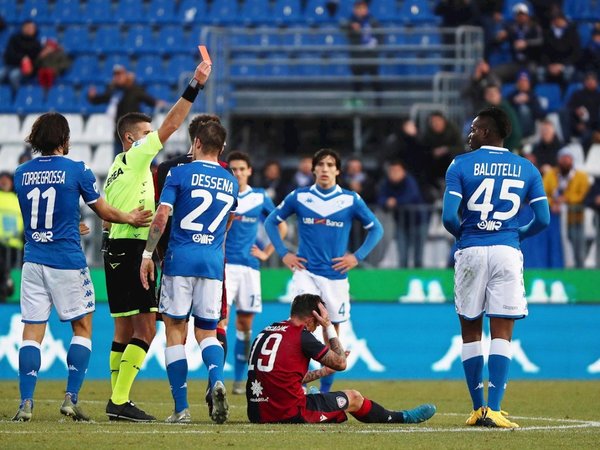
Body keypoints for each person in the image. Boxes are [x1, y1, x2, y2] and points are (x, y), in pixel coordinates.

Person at [11, 112, 152, 422]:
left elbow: (38, 217)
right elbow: (101, 209)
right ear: (64, 139)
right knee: (82, 327)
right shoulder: (77, 169)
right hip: (66, 261)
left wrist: (68, 227)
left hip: (33, 260)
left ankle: (25, 403)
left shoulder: (21, 172)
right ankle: (70, 399)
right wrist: (129, 217)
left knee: (32, 332)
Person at [103, 58, 212, 422]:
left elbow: (104, 214)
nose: (153, 137)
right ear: (132, 138)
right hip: (133, 247)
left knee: (123, 326)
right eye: (146, 133)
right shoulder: (137, 156)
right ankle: (120, 400)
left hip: (113, 247)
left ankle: (117, 396)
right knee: (148, 328)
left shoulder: (116, 167)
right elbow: (173, 123)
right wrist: (195, 85)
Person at [442, 107, 550, 428]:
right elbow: (542, 219)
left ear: (488, 132)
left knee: (471, 330)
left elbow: (449, 217)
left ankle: (478, 409)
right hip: (506, 250)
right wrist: (515, 234)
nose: (470, 133)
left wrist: (466, 234)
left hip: (472, 249)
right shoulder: (527, 168)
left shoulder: (460, 164)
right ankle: (497, 410)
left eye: (474, 128)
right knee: (502, 331)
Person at [140, 120, 238, 424]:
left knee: (174, 331)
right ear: (221, 148)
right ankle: (217, 379)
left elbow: (162, 215)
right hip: (212, 262)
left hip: (179, 259)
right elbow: (228, 221)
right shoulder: (230, 180)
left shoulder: (179, 173)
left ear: (195, 143)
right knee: (208, 332)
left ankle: (181, 408)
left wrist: (147, 253)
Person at [264, 148, 383, 393]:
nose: (325, 169)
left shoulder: (350, 200)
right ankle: (301, 387)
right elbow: (270, 221)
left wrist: (356, 257)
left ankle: (326, 392)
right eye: (321, 164)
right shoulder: (299, 196)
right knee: (301, 328)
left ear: (338, 170)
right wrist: (284, 253)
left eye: (330, 165)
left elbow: (377, 229)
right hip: (305, 273)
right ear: (313, 169)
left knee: (332, 332)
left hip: (335, 277)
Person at [246, 293, 436, 424]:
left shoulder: (267, 330)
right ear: (313, 318)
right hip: (288, 412)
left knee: (309, 393)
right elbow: (341, 363)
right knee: (354, 397)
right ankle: (400, 418)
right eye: (317, 325)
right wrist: (328, 326)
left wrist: (324, 372)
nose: (316, 329)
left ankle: (312, 398)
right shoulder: (301, 335)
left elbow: (283, 376)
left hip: (257, 413)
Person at [223, 151, 287, 395]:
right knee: (221, 322)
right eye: (234, 169)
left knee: (245, 324)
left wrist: (267, 252)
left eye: (241, 169)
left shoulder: (259, 197)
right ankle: (217, 378)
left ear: (249, 171)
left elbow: (280, 225)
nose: (237, 173)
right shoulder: (223, 196)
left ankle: (239, 381)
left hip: (250, 267)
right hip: (225, 265)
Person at [87, 64, 167, 155]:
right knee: (120, 159)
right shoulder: (113, 90)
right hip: (120, 133)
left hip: (135, 132)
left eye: (120, 75)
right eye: (116, 75)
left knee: (137, 158)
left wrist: (157, 103)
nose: (118, 77)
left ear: (126, 75)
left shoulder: (133, 89)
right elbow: (101, 98)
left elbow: (147, 98)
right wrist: (92, 97)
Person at [542, 147, 591, 268]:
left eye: (568, 158)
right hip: (554, 219)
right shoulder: (551, 174)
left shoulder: (581, 176)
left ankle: (579, 273)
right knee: (556, 248)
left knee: (577, 248)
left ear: (572, 160)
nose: (565, 161)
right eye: (563, 158)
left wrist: (567, 199)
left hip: (575, 218)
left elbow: (583, 194)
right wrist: (553, 203)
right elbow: (542, 193)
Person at [377, 160, 427, 268]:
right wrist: (386, 202)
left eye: (397, 171)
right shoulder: (386, 183)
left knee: (418, 257)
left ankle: (417, 279)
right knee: (402, 256)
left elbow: (412, 196)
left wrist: (395, 201)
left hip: (418, 222)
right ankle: (402, 280)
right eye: (391, 171)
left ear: (403, 172)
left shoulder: (410, 182)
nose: (394, 174)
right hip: (401, 224)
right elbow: (380, 198)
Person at [345, 0, 380, 105]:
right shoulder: (351, 21)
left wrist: (374, 43)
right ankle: (356, 104)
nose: (361, 11)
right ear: (355, 10)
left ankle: (378, 104)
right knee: (357, 84)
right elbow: (343, 27)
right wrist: (351, 26)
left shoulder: (373, 21)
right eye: (358, 8)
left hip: (370, 56)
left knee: (375, 82)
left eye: (363, 8)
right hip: (357, 57)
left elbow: (380, 36)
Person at [0, 20, 42, 97]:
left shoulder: (36, 44)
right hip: (10, 65)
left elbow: (34, 60)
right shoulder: (14, 39)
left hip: (23, 70)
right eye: (27, 27)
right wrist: (22, 58)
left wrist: (25, 61)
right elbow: (9, 55)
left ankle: (14, 97)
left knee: (14, 75)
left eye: (31, 28)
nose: (29, 29)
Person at [0, 171, 23, 302]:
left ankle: (8, 288)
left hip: (14, 244)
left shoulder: (18, 199)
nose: (4, 182)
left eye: (6, 179)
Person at [507, 71, 545, 138]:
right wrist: (514, 101)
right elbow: (506, 110)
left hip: (530, 128)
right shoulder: (511, 96)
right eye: (521, 81)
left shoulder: (533, 96)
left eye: (525, 81)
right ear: (517, 83)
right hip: (514, 127)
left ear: (529, 83)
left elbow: (540, 114)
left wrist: (529, 100)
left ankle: (523, 136)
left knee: (523, 109)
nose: (523, 83)